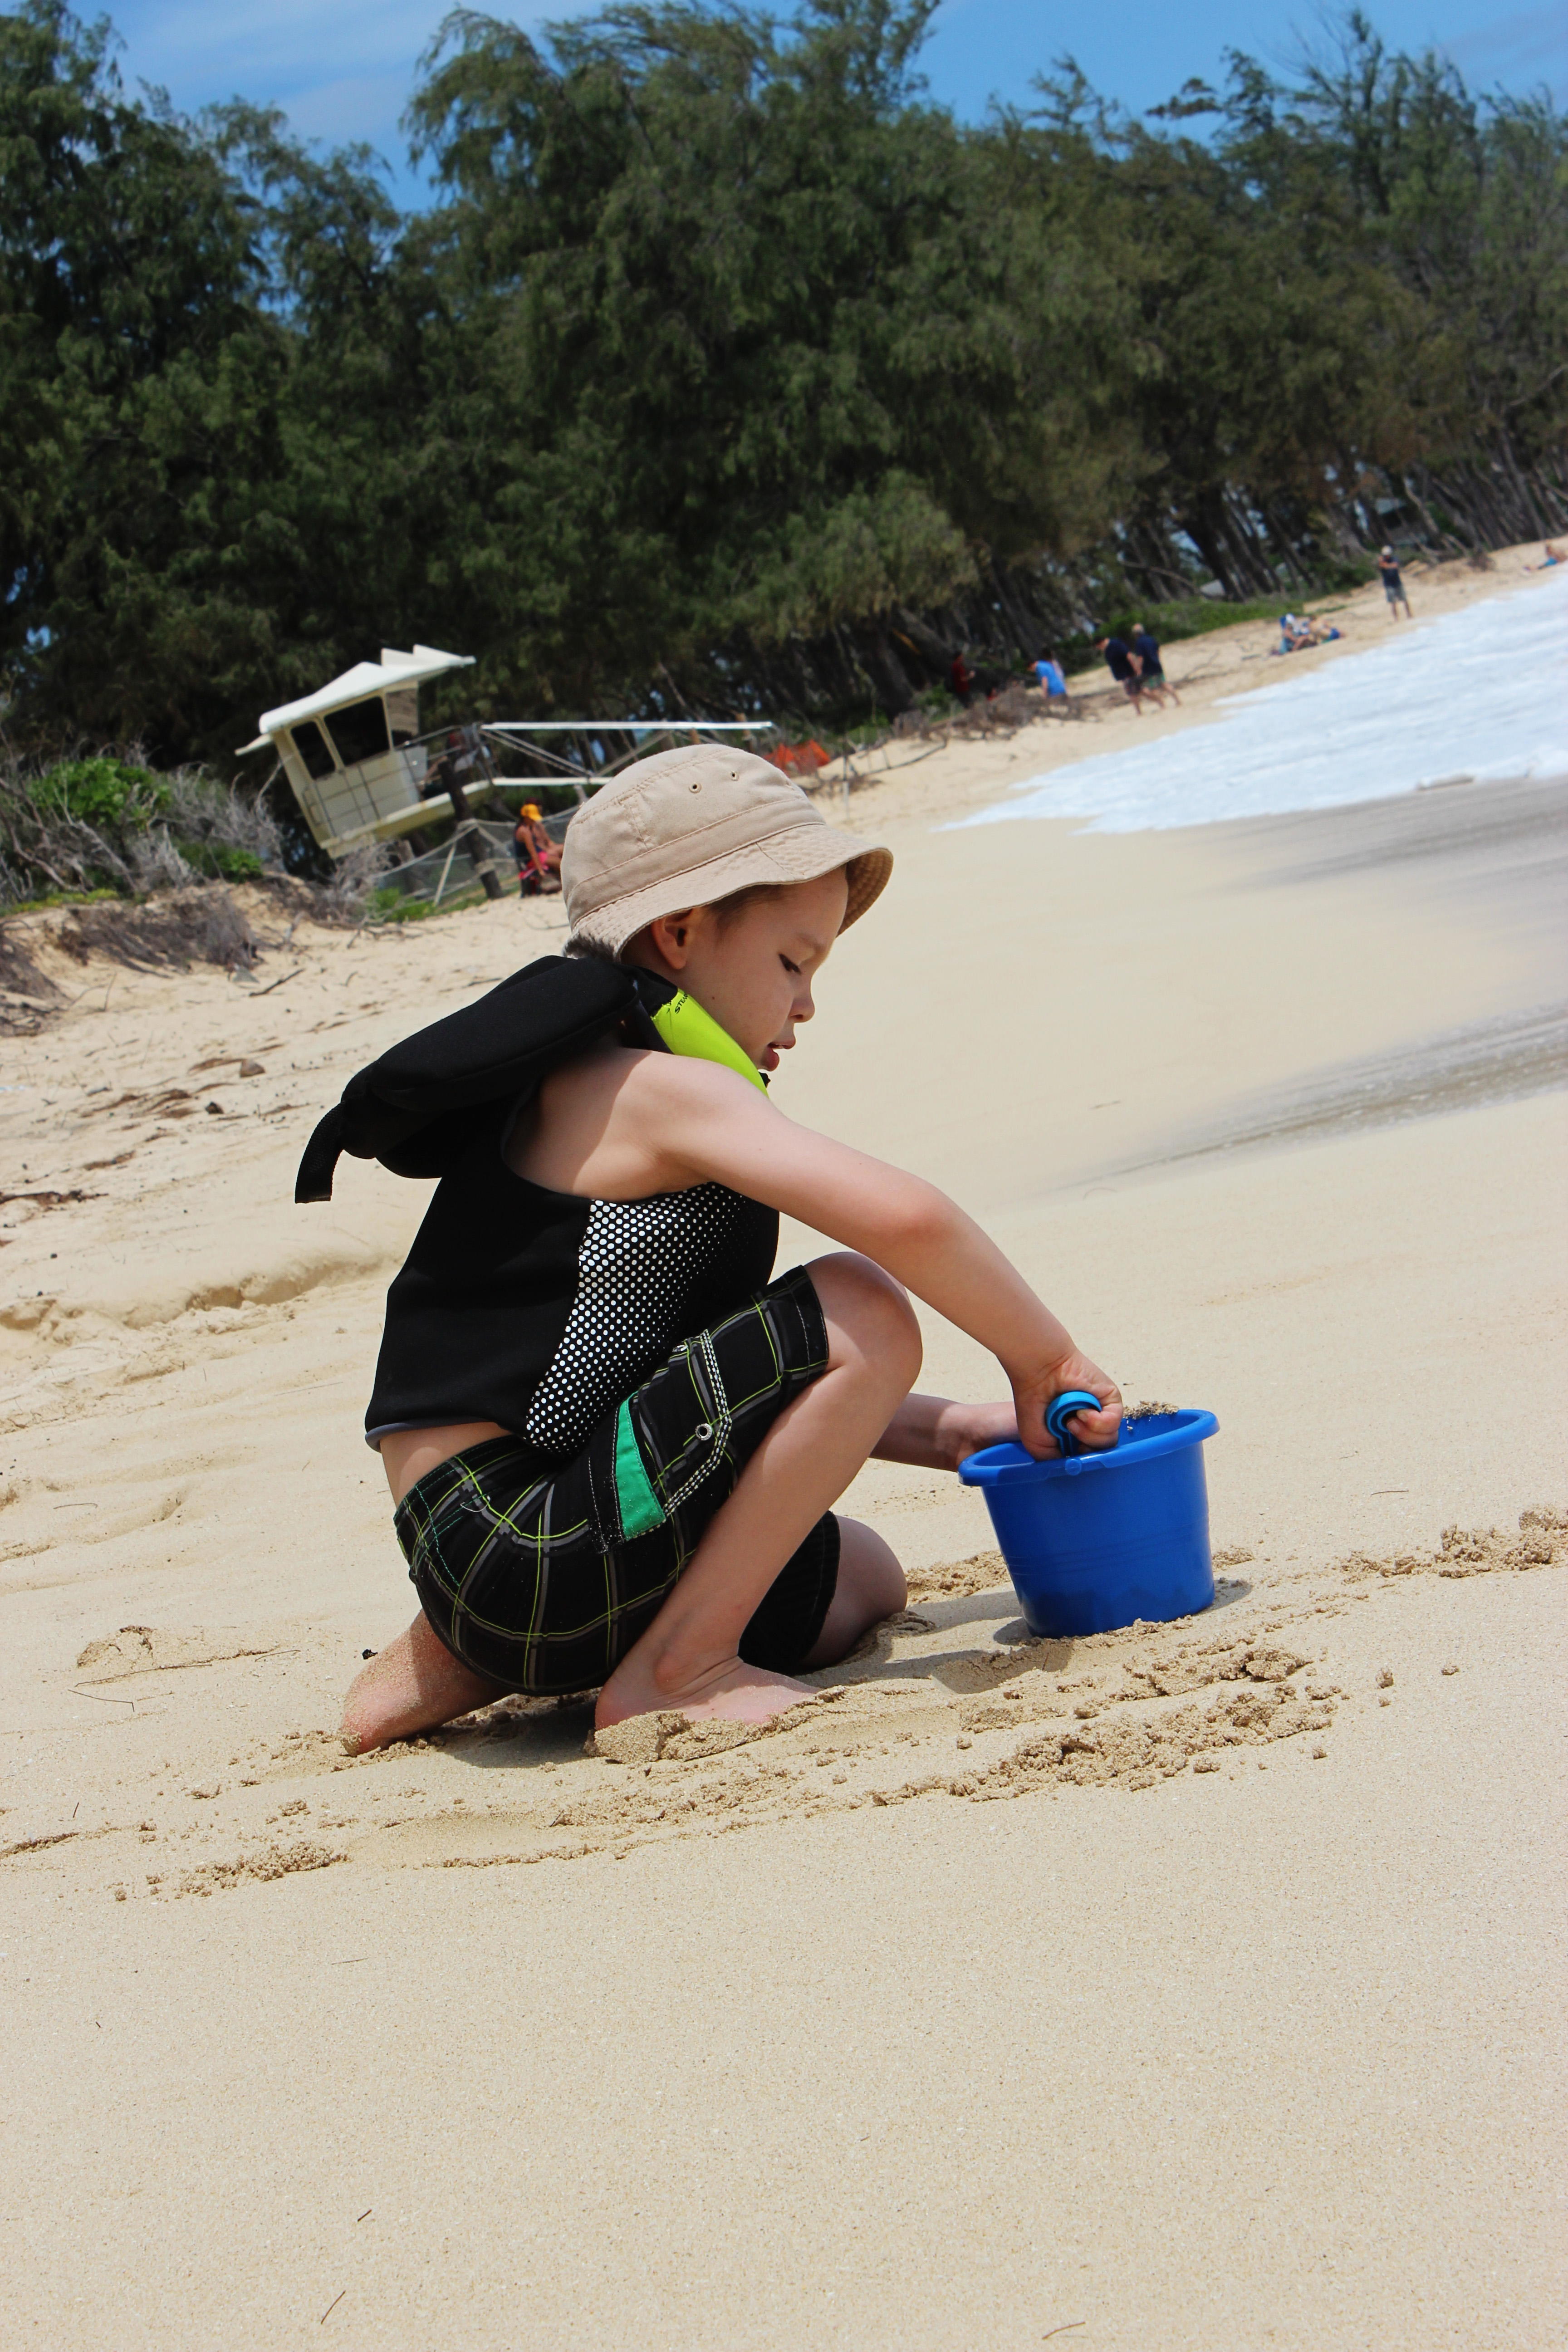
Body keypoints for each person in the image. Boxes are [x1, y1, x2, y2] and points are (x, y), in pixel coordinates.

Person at [333, 746, 1122, 1750]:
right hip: (523, 1543)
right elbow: (907, 1220)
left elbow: (709, 1383)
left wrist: (958, 1432)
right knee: (863, 1303)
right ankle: (677, 1668)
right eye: (793, 963)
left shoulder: (589, 1090)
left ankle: (465, 1658)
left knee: (862, 1571)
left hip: (501, 1559)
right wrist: (1044, 1361)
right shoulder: (654, 1091)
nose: (806, 1004)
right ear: (678, 933)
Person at [513, 801, 562, 895]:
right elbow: (533, 852)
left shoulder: (527, 828)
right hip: (532, 860)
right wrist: (540, 871)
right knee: (560, 864)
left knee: (561, 857)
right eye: (532, 819)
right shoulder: (524, 831)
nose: (534, 821)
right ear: (526, 818)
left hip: (540, 855)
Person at [1128, 624, 1180, 708]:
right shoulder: (1151, 639)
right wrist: (1157, 660)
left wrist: (1138, 669)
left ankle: (1163, 706)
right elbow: (1158, 652)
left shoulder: (1139, 643)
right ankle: (1178, 701)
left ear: (1135, 634)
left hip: (1148, 668)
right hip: (1157, 665)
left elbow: (1141, 658)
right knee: (1164, 684)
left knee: (1154, 688)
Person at [1093, 629, 1145, 713]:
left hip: (1128, 672)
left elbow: (1129, 656)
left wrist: (1136, 668)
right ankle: (1156, 704)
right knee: (1138, 691)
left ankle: (1139, 712)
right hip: (1123, 675)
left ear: (1101, 643)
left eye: (1099, 647)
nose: (1100, 649)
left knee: (1133, 693)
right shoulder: (1107, 650)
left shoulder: (1116, 644)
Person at [1377, 545, 1412, 619]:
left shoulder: (1394, 559)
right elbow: (1383, 566)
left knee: (1404, 599)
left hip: (1397, 582)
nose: (1386, 557)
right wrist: (1383, 563)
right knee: (1393, 602)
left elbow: (1395, 566)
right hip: (1389, 584)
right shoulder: (1382, 562)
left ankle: (1409, 614)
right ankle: (1396, 618)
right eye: (1385, 555)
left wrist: (1387, 565)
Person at [1031, 649, 1070, 713]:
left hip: (1056, 691)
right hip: (1061, 688)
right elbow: (1061, 677)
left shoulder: (1047, 665)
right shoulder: (1054, 664)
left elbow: (1046, 681)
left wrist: (1045, 695)